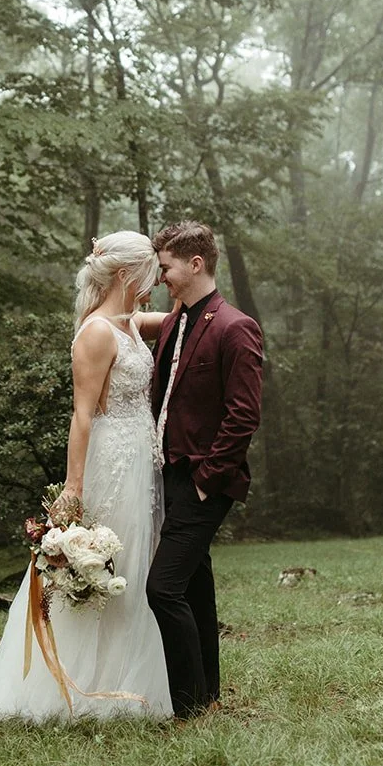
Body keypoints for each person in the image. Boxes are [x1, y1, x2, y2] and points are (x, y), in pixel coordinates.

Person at [0, 231, 173, 722]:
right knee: (109, 565)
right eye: (150, 271)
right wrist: (73, 488)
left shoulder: (129, 323)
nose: (157, 278)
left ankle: (125, 678)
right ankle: (79, 687)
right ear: (124, 274)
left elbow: (177, 321)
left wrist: (206, 308)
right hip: (111, 460)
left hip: (142, 461)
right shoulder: (96, 332)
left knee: (136, 567)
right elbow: (81, 416)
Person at [135, 220, 263, 719]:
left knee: (161, 588)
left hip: (206, 480)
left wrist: (208, 482)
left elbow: (244, 415)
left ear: (195, 264)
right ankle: (207, 697)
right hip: (170, 474)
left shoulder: (236, 327)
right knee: (193, 583)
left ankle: (188, 709)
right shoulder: (175, 322)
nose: (161, 275)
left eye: (165, 266)